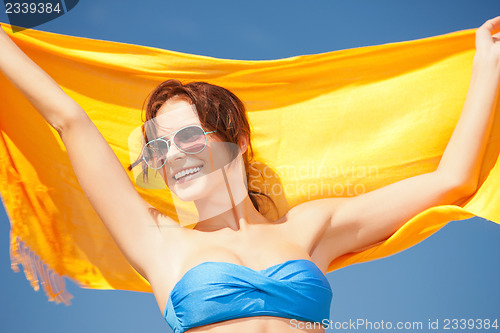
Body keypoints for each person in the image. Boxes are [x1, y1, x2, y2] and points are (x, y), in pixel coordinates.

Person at [1, 16, 499, 333]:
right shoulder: (158, 241)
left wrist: (487, 67)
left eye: (190, 138)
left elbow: (451, 180)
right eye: (160, 146)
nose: (174, 156)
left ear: (236, 141)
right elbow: (68, 119)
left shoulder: (310, 229)